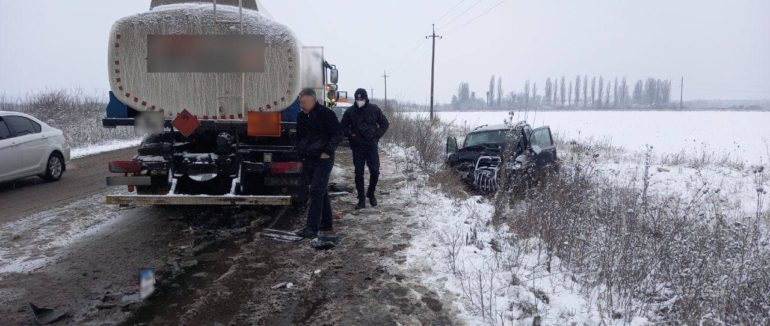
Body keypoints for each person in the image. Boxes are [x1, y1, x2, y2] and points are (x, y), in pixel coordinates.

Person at [295, 88, 343, 238]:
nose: (301, 105)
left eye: (303, 102)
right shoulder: (301, 116)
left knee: (316, 190)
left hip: (324, 158)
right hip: (309, 158)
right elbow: (300, 137)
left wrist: (327, 151)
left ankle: (311, 228)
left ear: (312, 100)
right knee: (320, 191)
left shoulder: (326, 114)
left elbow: (338, 133)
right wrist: (301, 153)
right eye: (300, 102)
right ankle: (326, 223)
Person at [340, 88, 390, 209]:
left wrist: (376, 135)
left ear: (366, 98)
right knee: (359, 173)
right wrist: (351, 134)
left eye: (361, 99)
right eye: (357, 99)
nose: (359, 101)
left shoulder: (374, 109)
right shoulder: (350, 112)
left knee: (375, 171)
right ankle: (361, 199)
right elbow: (343, 127)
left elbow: (385, 124)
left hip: (371, 146)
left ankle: (371, 194)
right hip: (357, 147)